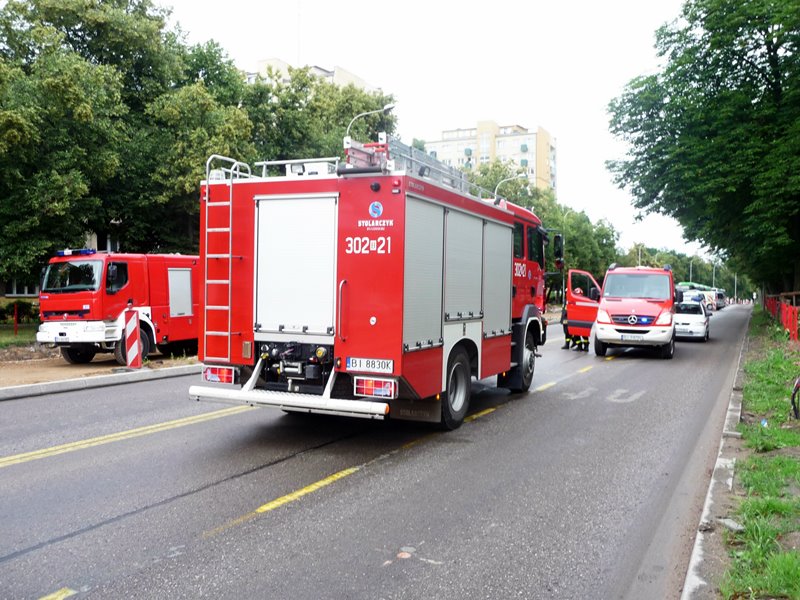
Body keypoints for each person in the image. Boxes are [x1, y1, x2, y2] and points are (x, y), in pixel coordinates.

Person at [570, 287, 590, 352]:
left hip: (581, 319)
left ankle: (583, 346)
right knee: (577, 334)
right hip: (580, 319)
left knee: (582, 334)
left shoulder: (581, 300)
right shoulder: (583, 300)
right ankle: (582, 346)